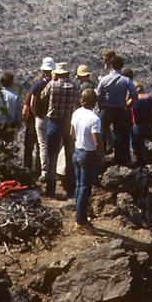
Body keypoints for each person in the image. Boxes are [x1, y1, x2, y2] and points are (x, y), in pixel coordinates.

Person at [70, 87, 104, 235]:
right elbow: (97, 142)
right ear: (95, 102)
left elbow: (72, 133)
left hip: (77, 151)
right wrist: (101, 155)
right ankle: (81, 222)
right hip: (88, 154)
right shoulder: (95, 119)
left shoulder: (76, 113)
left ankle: (79, 217)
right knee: (85, 188)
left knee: (78, 186)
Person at [43, 63, 79, 199]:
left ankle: (50, 189)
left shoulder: (52, 84)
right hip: (68, 121)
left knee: (52, 156)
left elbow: (43, 95)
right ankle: (70, 189)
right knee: (70, 156)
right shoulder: (75, 86)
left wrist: (52, 80)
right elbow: (78, 101)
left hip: (54, 121)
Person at [96, 53, 136, 166]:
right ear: (121, 66)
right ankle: (120, 159)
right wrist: (127, 106)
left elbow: (99, 96)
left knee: (102, 131)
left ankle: (102, 157)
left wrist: (100, 107)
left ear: (111, 65)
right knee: (120, 133)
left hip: (106, 109)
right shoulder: (126, 80)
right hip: (120, 109)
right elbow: (135, 95)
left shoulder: (104, 80)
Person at [26, 57, 55, 182]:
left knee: (42, 144)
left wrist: (36, 115)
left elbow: (32, 103)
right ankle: (53, 169)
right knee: (53, 144)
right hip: (52, 117)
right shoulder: (55, 84)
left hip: (40, 117)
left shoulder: (37, 85)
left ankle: (44, 171)